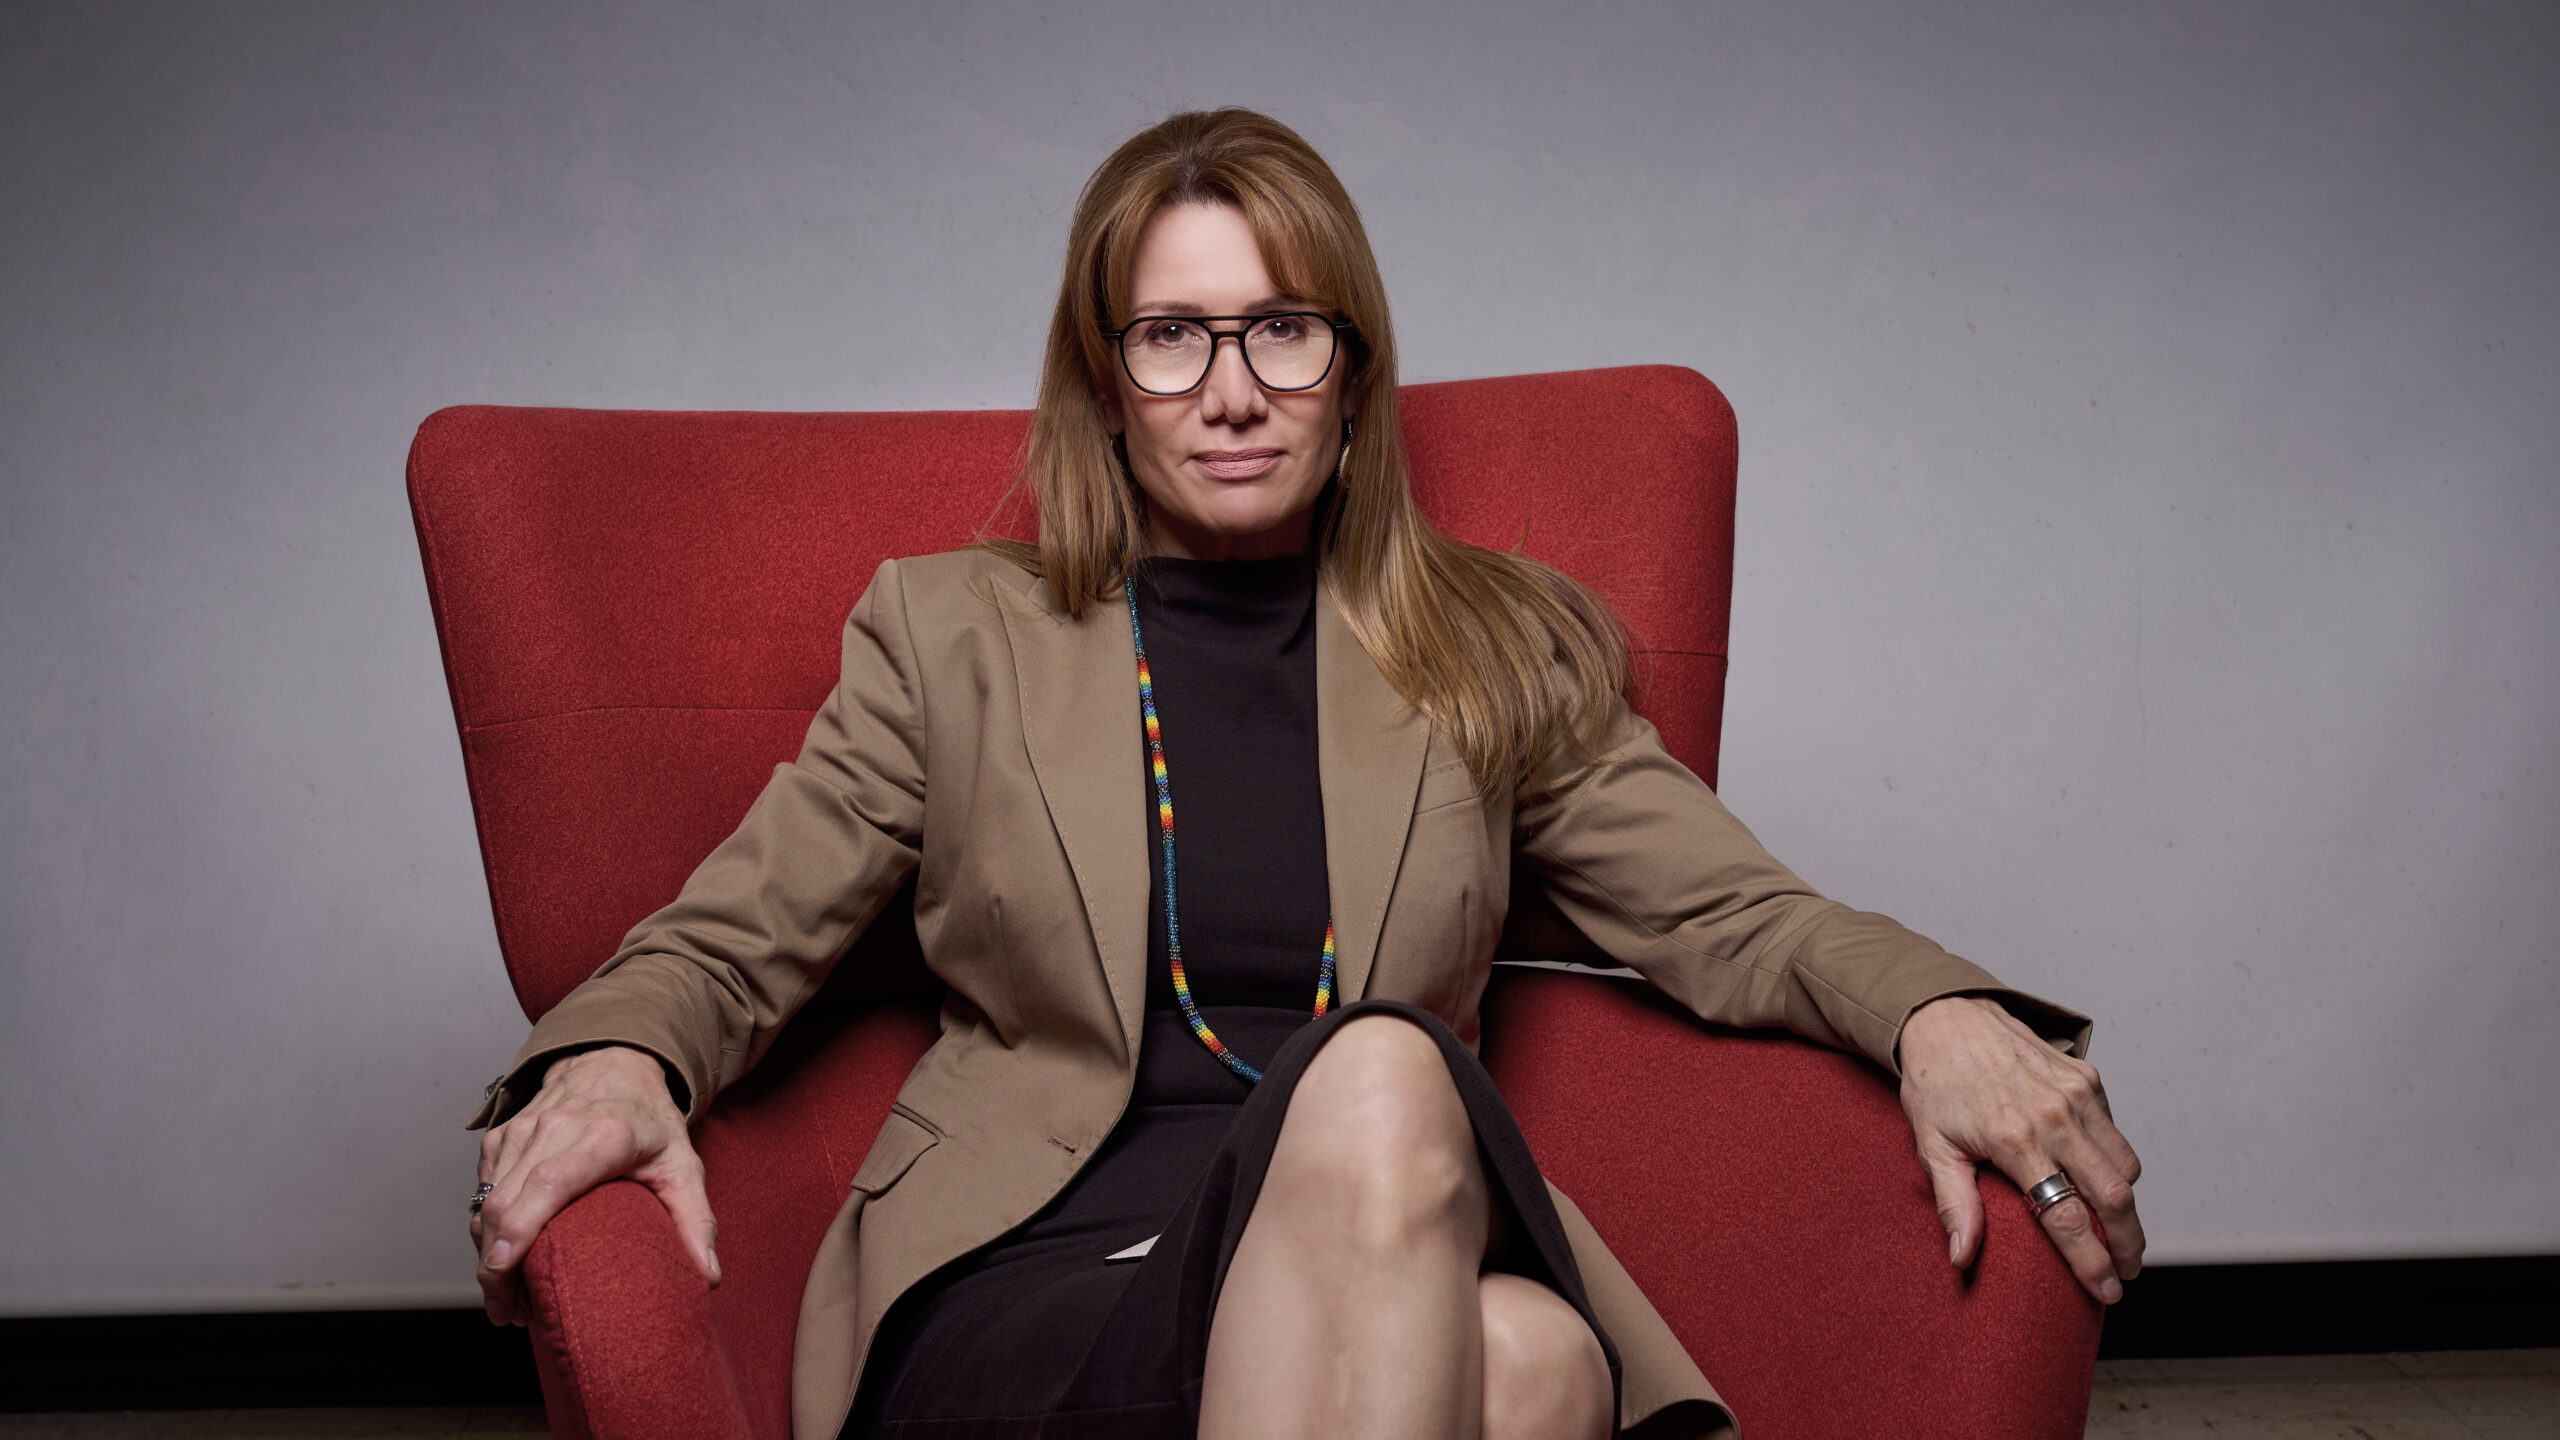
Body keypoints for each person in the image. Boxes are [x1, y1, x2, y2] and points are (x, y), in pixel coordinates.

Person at [463, 108, 2145, 1440]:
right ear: (1107, 389)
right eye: (1173, 338)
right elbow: (733, 939)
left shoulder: (1500, 648)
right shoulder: (946, 633)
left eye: (1283, 330)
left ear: (1353, 375)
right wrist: (618, 1060)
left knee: (1541, 1359)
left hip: (1386, 1277)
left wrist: (1938, 1016)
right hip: (1036, 1276)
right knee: (1391, 1084)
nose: (1234, 392)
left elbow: (1740, 917)